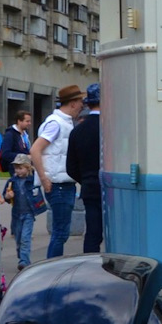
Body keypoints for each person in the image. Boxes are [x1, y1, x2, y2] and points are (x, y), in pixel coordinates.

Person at [29, 85, 85, 259]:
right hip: (58, 185)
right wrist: (44, 178)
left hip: (61, 183)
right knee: (60, 233)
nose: (83, 106)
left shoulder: (62, 122)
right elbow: (35, 150)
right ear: (73, 103)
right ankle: (52, 269)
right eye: (80, 102)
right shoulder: (56, 123)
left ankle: (53, 267)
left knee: (61, 233)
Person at [65, 83, 104, 254]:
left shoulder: (77, 131)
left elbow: (70, 167)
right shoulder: (112, 128)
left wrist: (86, 178)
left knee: (93, 233)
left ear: (88, 104)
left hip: (89, 187)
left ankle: (91, 265)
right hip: (112, 189)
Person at [7, 151, 42, 270]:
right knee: (18, 239)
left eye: (20, 168)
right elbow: (6, 195)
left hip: (29, 214)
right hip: (16, 214)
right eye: (16, 168)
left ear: (27, 168)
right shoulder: (12, 181)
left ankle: (24, 261)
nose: (18, 171)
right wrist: (8, 196)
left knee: (25, 238)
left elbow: (38, 192)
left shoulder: (32, 180)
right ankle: (21, 255)